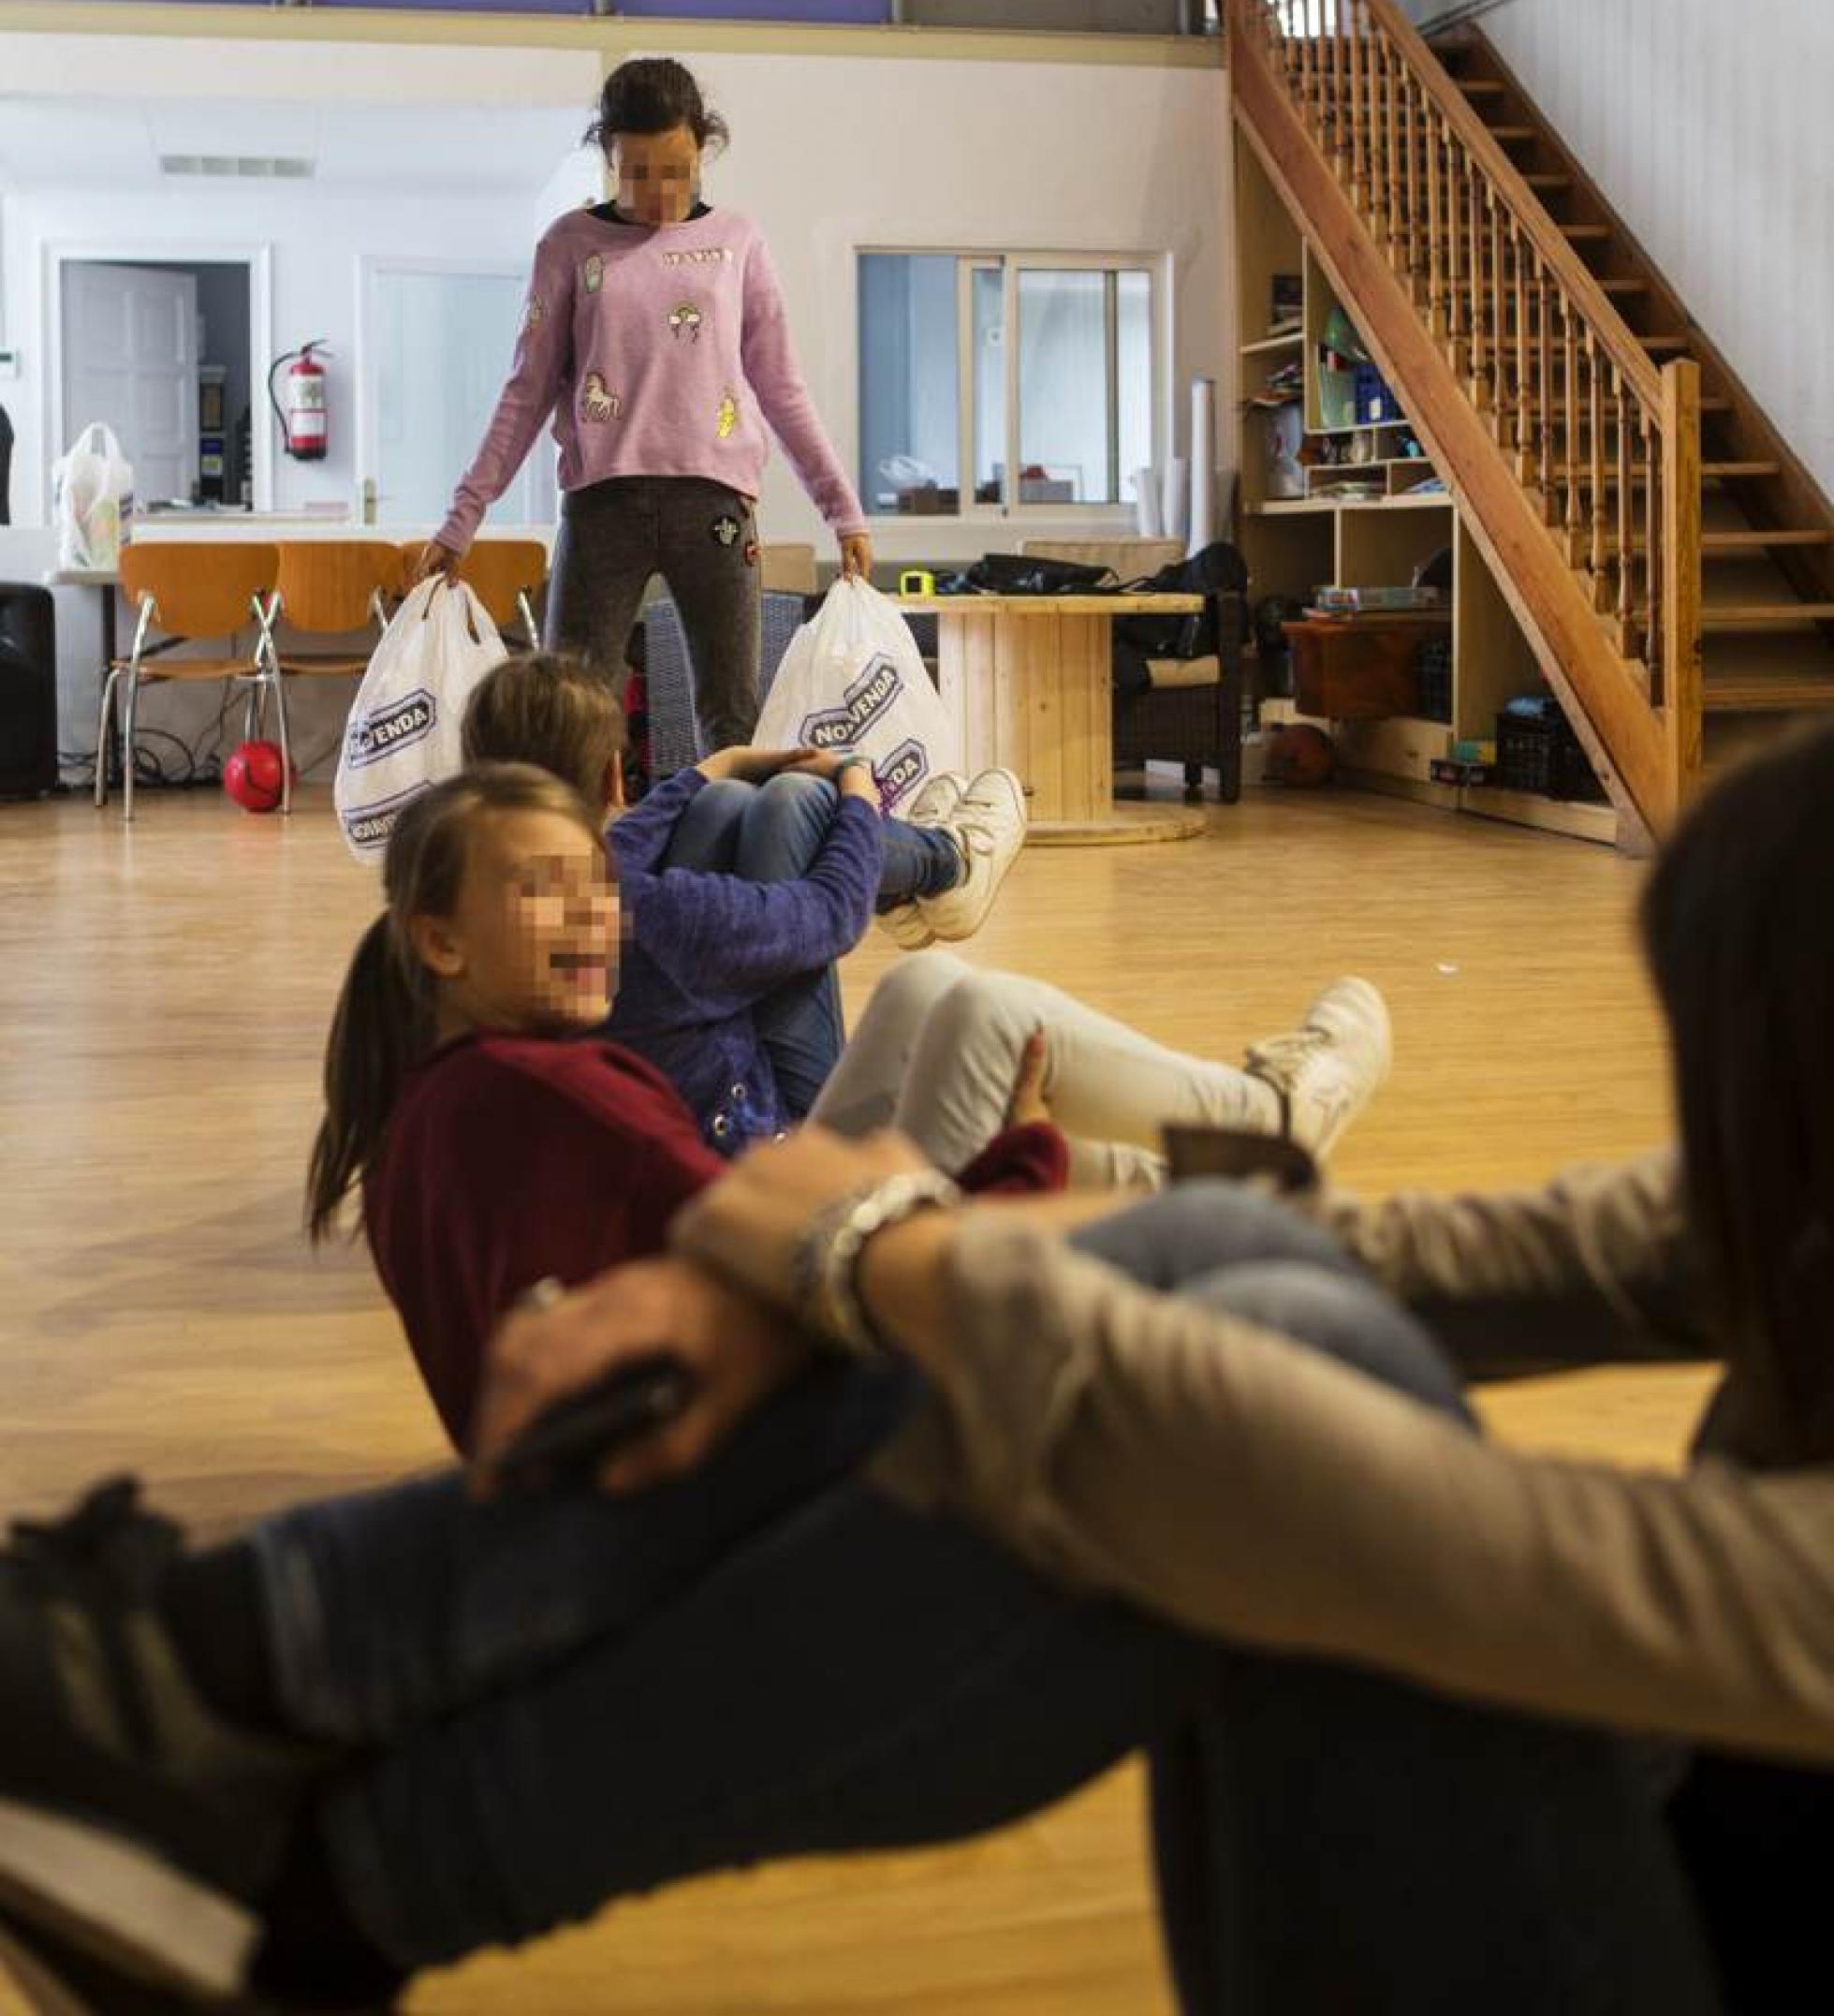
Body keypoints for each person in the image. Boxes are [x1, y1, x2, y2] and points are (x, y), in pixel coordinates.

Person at [4, 727, 1829, 2009]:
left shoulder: (593, 998)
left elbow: (1469, 1543)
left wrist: (866, 1251)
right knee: (1228, 1277)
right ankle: (283, 1773)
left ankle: (282, 1759)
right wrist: (860, 1254)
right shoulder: (575, 1002)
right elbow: (1523, 1253)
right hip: (1649, 1822)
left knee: (1226, 1382)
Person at [303, 762, 1067, 1449]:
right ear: (439, 941)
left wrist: (713, 771)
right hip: (754, 1470)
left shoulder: (414, 1110)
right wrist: (1024, 1162)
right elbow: (815, 1281)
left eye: (599, 885)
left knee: (928, 990)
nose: (594, 916)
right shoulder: (575, 1093)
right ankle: (948, 860)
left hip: (638, 1465)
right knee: (980, 1014)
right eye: (541, 889)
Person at [418, 56, 873, 750]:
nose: (658, 191)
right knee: (569, 718)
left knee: (731, 715)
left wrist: (843, 510)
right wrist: (461, 520)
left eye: (676, 168)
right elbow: (526, 391)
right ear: (606, 154)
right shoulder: (570, 244)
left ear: (702, 147)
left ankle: (723, 854)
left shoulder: (736, 241)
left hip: (715, 508)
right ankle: (571, 853)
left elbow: (780, 386)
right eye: (636, 171)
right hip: (604, 508)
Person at [459, 653, 1031, 1145]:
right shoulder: (651, 914)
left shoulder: (476, 896)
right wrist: (859, 794)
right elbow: (831, 913)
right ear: (615, 778)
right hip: (767, 1135)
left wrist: (718, 765)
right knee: (798, 802)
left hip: (639, 1110)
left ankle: (926, 879)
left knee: (725, 802)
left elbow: (619, 847)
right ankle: (946, 863)